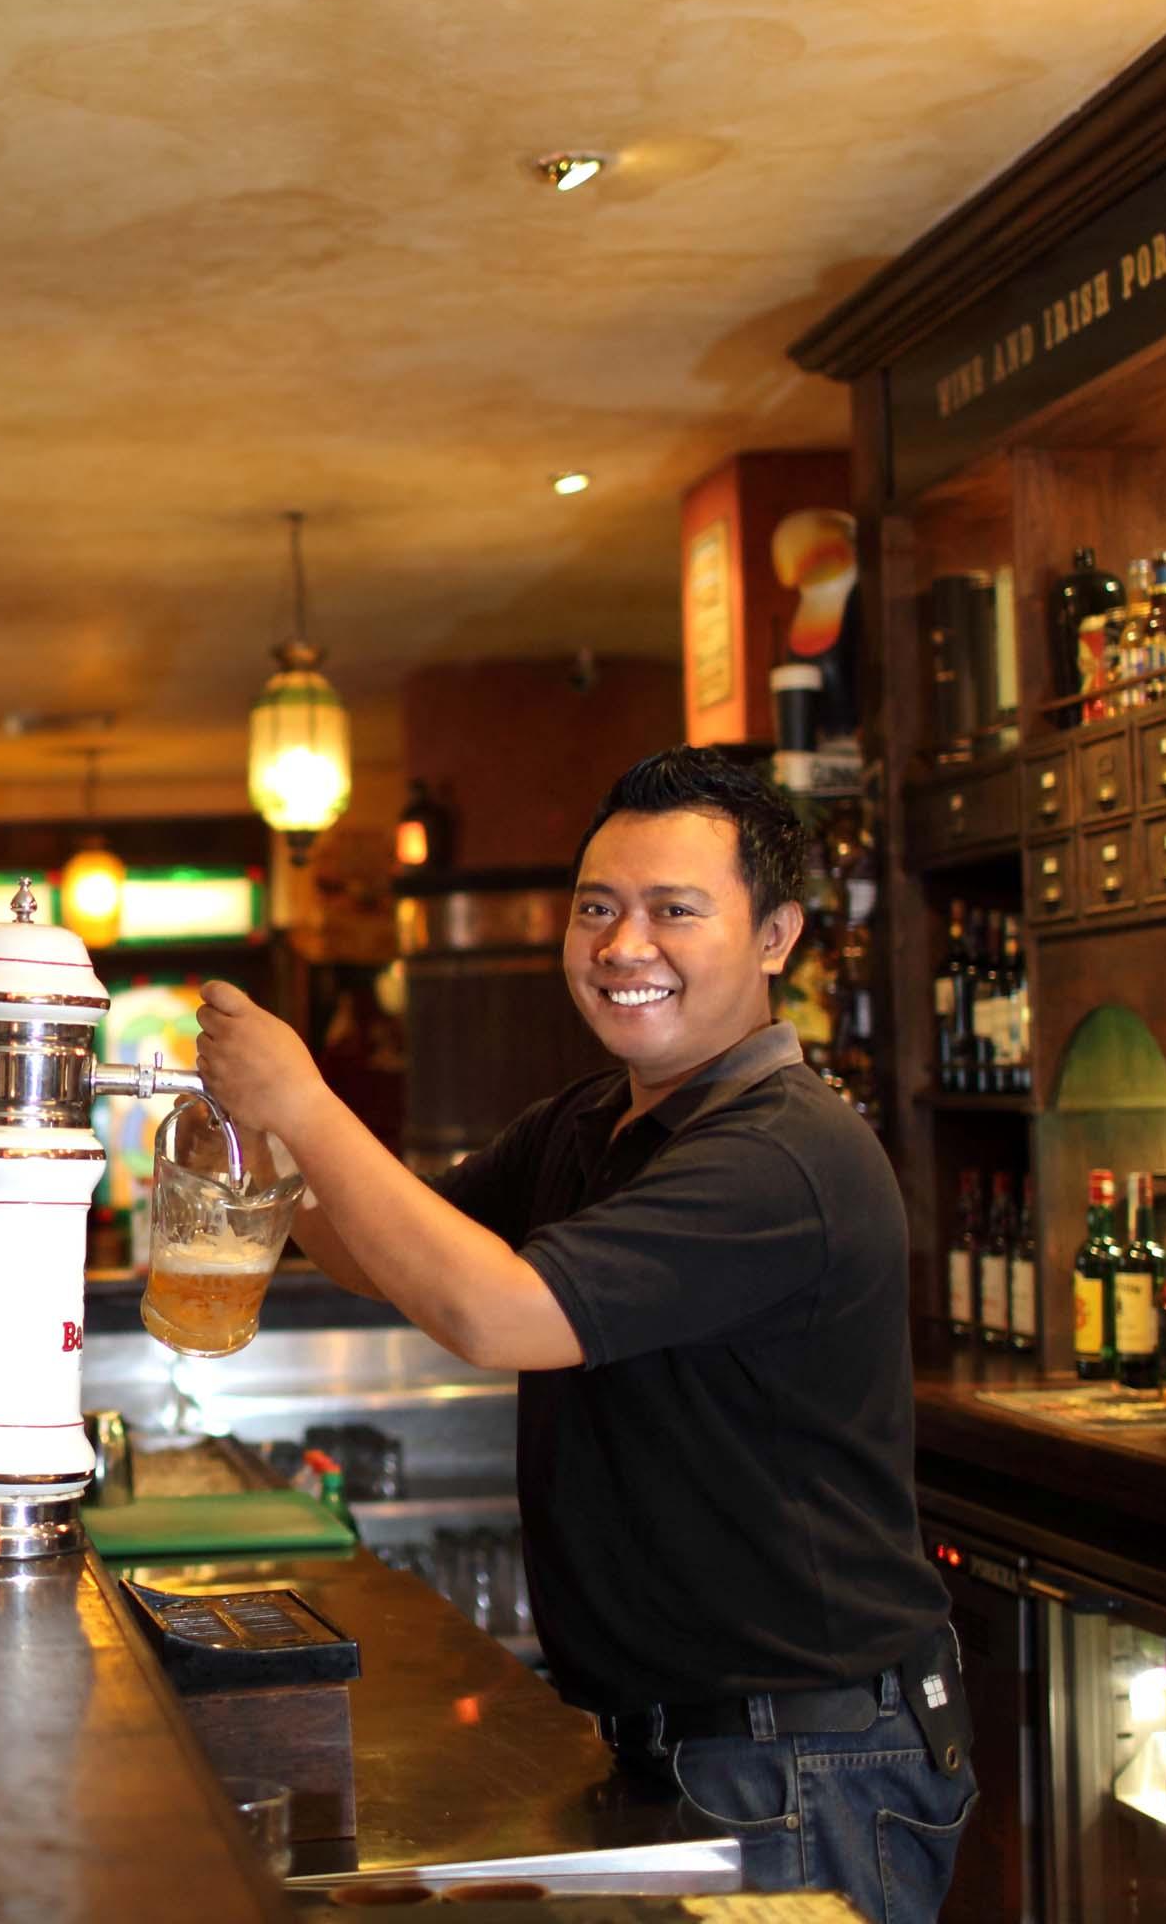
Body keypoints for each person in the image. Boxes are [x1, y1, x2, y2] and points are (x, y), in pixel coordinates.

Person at [194, 746, 969, 1924]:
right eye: (598, 908)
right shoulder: (595, 1119)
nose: (623, 945)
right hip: (686, 1742)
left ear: (777, 936)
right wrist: (266, 1157)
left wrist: (303, 1101)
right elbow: (390, 1256)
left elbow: (494, 1312)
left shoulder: (780, 1152)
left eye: (674, 910)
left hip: (803, 1759)